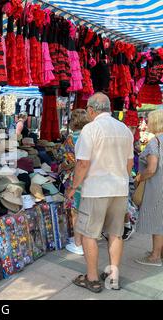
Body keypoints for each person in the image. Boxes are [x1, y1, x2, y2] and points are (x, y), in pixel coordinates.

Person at [67, 92, 134, 293]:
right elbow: (130, 163)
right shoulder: (124, 130)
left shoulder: (91, 129)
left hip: (96, 190)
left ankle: (93, 278)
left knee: (89, 234)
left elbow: (83, 163)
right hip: (119, 189)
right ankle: (113, 277)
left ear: (91, 110)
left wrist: (72, 188)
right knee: (116, 233)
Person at [59, 109, 90, 255]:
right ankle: (85, 240)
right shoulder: (91, 136)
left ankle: (78, 243)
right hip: (91, 178)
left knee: (76, 211)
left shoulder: (72, 138)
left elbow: (67, 160)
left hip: (76, 178)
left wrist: (62, 166)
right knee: (87, 210)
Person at [134, 109, 163, 266]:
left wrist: (140, 177)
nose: (146, 123)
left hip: (157, 186)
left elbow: (152, 169)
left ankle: (155, 256)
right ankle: (158, 252)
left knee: (157, 221)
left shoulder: (155, 142)